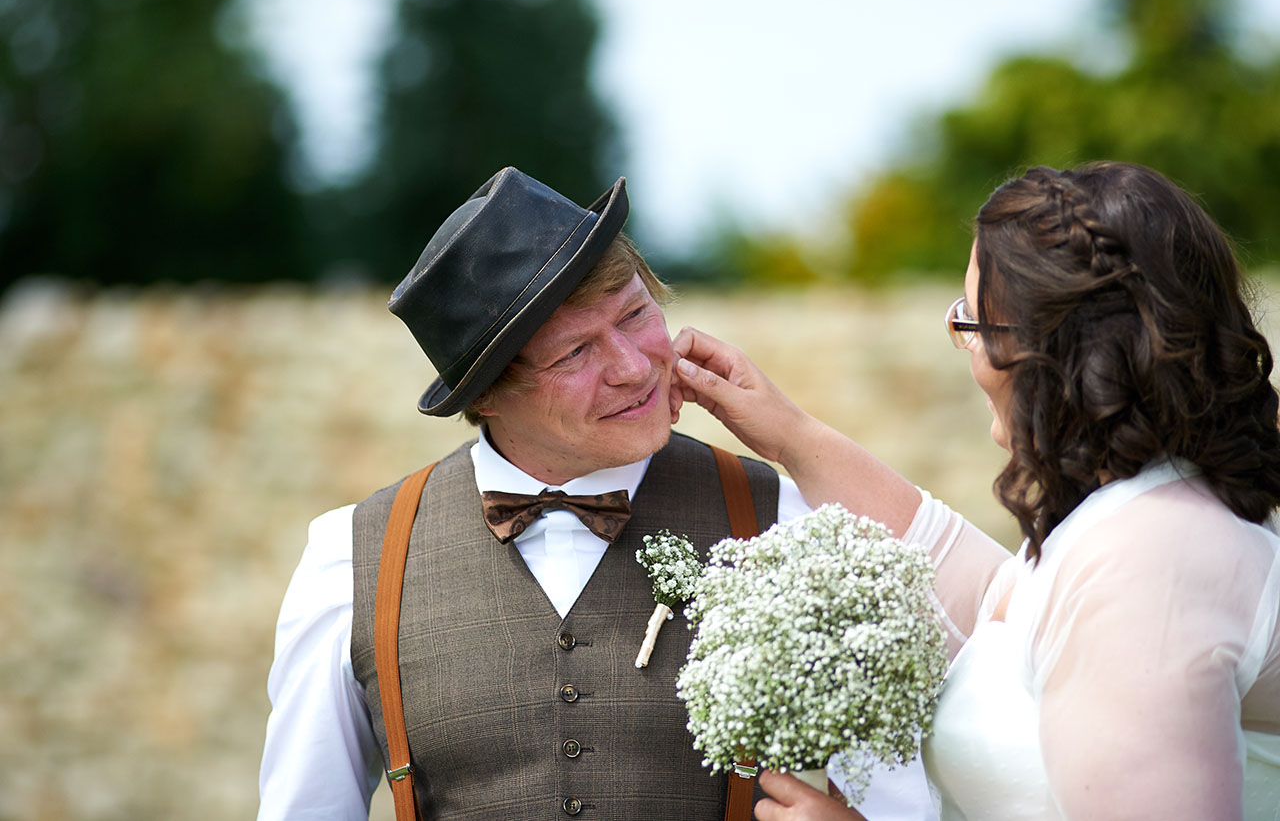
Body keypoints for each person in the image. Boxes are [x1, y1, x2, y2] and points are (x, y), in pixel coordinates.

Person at [256, 167, 941, 820]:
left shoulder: (785, 524)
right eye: (576, 353)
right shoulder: (352, 561)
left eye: (636, 314)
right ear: (490, 394)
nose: (633, 366)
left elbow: (896, 799)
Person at [671, 161, 1280, 820]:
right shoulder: (1137, 518)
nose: (968, 351)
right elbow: (980, 601)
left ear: (1040, 349)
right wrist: (789, 435)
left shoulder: (1150, 563)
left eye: (971, 322)